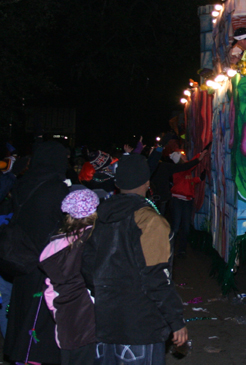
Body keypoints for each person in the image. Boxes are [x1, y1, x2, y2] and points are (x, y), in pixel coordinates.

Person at [83, 154, 188, 365]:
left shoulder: (98, 215)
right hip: (141, 326)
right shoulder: (149, 221)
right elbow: (156, 276)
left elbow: (87, 267)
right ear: (147, 182)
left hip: (104, 322)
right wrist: (175, 320)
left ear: (118, 183)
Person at [3, 140, 70, 365]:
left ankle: (20, 354)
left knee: (22, 310)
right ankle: (34, 357)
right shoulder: (57, 187)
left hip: (21, 256)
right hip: (44, 261)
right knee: (40, 317)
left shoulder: (22, 183)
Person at [40, 188, 100, 365]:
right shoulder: (93, 241)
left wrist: (57, 311)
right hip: (90, 317)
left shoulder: (55, 245)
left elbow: (49, 288)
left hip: (66, 320)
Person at [170, 151, 202, 257]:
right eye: (183, 157)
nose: (185, 157)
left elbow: (189, 182)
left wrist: (199, 179)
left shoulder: (185, 171)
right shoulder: (178, 170)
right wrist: (199, 156)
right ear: (179, 160)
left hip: (187, 200)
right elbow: (189, 166)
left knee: (186, 227)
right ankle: (170, 249)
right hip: (178, 200)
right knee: (175, 226)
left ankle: (181, 250)